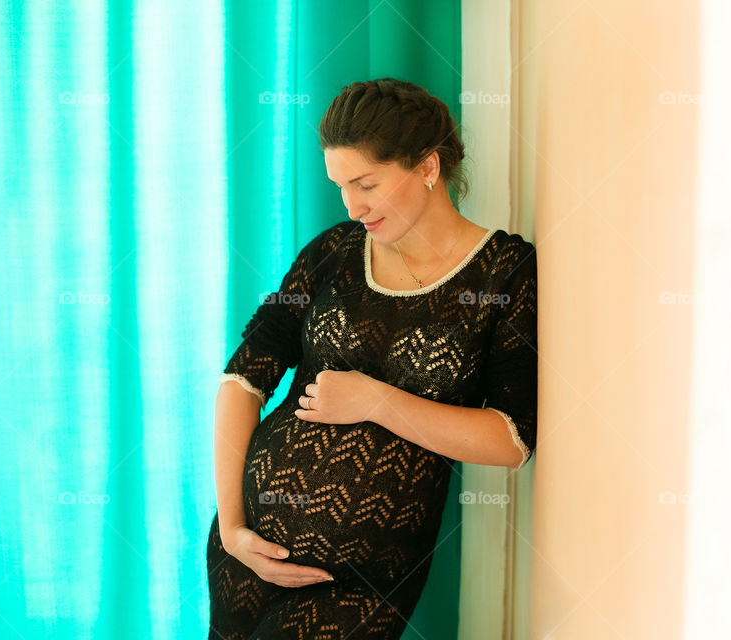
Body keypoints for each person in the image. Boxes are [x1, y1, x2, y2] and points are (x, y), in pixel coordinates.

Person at [206, 77, 538, 639]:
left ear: (428, 167)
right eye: (340, 186)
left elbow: (512, 439)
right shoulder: (334, 252)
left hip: (366, 577)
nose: (353, 206)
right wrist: (235, 529)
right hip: (248, 549)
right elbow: (242, 379)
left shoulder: (504, 272)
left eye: (367, 183)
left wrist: (379, 401)